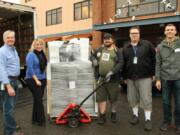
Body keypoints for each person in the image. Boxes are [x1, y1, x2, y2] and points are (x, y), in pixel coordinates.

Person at [123, 26, 155, 131]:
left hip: (145, 76)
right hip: (131, 78)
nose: (134, 35)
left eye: (136, 33)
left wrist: (153, 73)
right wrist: (124, 77)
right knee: (132, 98)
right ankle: (135, 116)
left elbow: (154, 59)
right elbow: (123, 64)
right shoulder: (126, 47)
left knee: (146, 99)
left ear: (139, 34)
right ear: (129, 35)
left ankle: (148, 120)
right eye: (132, 33)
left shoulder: (147, 44)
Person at [91, 33, 123, 124]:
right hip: (101, 79)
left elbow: (121, 63)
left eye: (109, 38)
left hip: (113, 79)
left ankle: (113, 113)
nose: (106, 40)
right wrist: (93, 60)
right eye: (105, 39)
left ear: (112, 40)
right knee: (101, 98)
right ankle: (102, 115)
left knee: (113, 98)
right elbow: (92, 55)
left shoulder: (117, 51)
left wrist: (112, 72)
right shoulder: (100, 49)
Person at [155, 24, 180, 134]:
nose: (169, 31)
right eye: (167, 30)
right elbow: (158, 63)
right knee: (165, 102)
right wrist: (158, 79)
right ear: (164, 32)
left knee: (179, 103)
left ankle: (178, 123)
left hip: (178, 78)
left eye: (172, 30)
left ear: (175, 32)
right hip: (165, 79)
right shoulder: (160, 47)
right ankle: (166, 121)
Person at [0, 30, 24, 135]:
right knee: (8, 108)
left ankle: (10, 125)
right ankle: (10, 131)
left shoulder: (13, 49)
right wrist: (8, 86)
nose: (10, 39)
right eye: (8, 37)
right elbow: (1, 69)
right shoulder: (2, 51)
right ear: (4, 39)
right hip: (8, 82)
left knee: (10, 106)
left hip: (14, 80)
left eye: (12, 37)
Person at [25, 39, 47, 126]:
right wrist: (36, 80)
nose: (39, 46)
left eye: (41, 44)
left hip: (42, 79)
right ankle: (41, 121)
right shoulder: (30, 55)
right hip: (32, 79)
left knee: (37, 100)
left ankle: (35, 119)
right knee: (39, 100)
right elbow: (30, 69)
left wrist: (45, 79)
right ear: (33, 45)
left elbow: (44, 67)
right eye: (37, 44)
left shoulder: (42, 54)